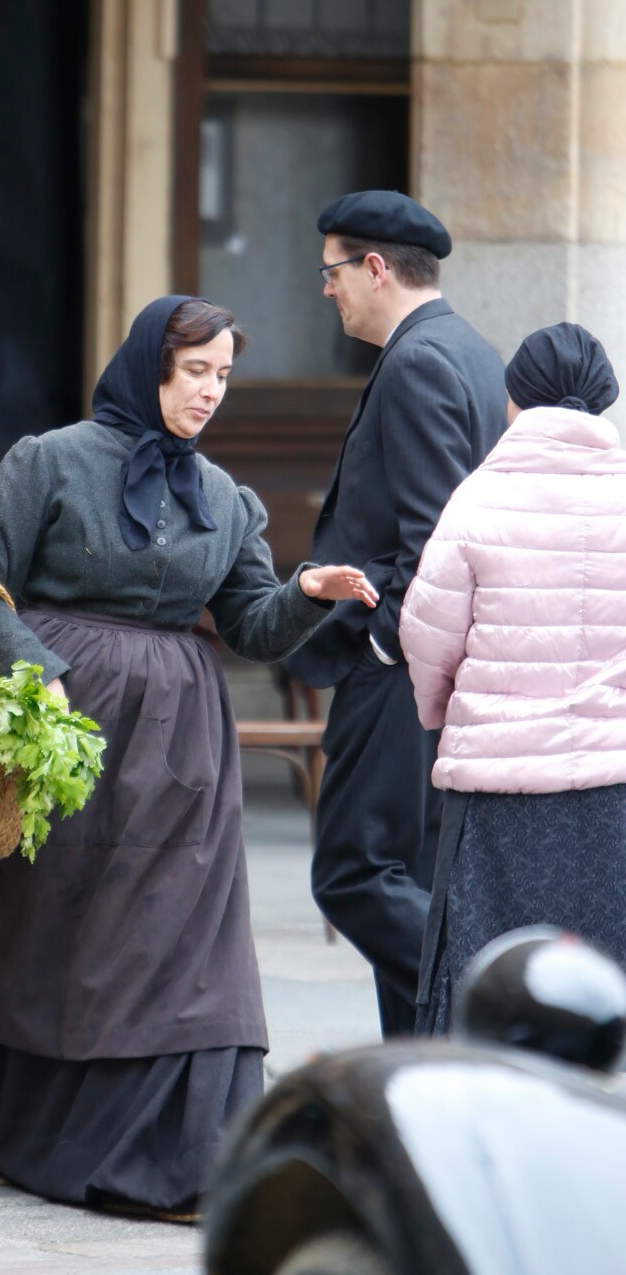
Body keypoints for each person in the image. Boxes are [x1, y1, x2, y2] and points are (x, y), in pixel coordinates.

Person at [0, 295, 377, 1219]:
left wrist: (308, 590)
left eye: (224, 376)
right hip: (53, 740)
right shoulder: (49, 461)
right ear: (149, 365)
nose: (210, 393)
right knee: (47, 939)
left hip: (178, 757)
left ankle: (182, 1158)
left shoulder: (227, 499)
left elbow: (251, 625)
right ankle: (18, 1134)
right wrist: (37, 679)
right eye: (196, 371)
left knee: (181, 949)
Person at [283, 190, 508, 1037]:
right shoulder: (471, 351)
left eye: (332, 271)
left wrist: (380, 647)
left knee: (355, 874)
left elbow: (434, 541)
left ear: (375, 268)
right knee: (406, 877)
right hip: (437, 671)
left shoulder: (419, 361)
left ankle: (501, 1009)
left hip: (402, 672)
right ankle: (428, 1080)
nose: (326, 289)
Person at [400, 323, 626, 1033]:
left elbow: (426, 632)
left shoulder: (479, 498)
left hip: (500, 792)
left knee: (487, 981)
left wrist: (446, 716)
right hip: (616, 784)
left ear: (515, 400)